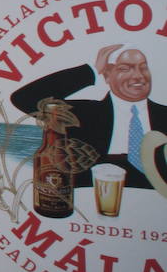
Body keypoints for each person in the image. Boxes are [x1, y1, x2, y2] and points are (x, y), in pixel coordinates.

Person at [11, 44, 167, 189]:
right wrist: (92, 70)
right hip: (90, 204)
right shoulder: (83, 113)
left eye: (143, 67)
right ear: (107, 76)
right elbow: (25, 98)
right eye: (126, 68)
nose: (138, 75)